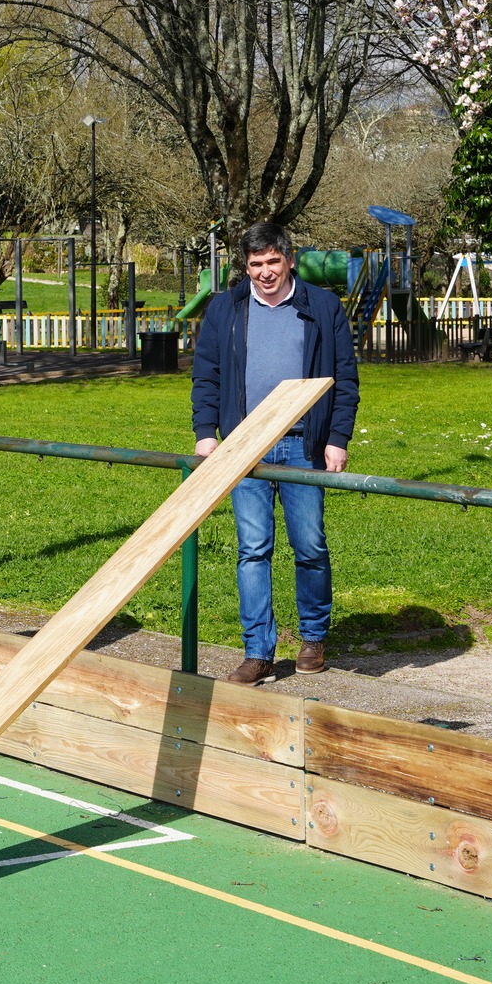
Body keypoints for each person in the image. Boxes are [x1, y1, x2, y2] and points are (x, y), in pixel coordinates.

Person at [191, 221, 359, 684]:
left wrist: (337, 439)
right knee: (252, 549)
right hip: (245, 445)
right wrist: (207, 433)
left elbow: (345, 380)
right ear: (245, 268)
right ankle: (258, 651)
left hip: (305, 443)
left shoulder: (323, 308)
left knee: (309, 546)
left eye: (272, 262)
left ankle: (313, 637)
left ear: (289, 259)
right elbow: (205, 375)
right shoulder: (225, 310)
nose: (264, 273)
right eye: (255, 264)